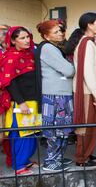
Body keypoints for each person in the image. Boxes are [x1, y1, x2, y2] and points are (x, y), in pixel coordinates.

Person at [0, 26, 41, 175]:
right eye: (22, 38)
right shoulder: (10, 57)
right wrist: (21, 102)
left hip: (33, 100)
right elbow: (9, 83)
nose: (26, 40)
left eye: (28, 37)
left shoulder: (30, 55)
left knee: (31, 133)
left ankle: (26, 161)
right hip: (20, 102)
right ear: (12, 40)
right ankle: (19, 166)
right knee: (20, 134)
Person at [35, 20, 75, 171]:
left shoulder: (54, 48)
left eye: (60, 31)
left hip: (59, 94)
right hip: (55, 96)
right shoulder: (48, 48)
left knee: (61, 129)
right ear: (46, 36)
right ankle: (51, 162)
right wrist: (70, 69)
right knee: (55, 130)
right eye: (56, 32)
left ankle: (56, 158)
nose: (60, 34)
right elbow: (69, 71)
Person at [73, 12, 96, 169]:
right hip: (88, 92)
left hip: (90, 90)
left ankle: (87, 154)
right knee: (86, 126)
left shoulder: (89, 42)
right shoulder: (86, 43)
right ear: (89, 25)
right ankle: (81, 158)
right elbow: (87, 71)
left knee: (91, 125)